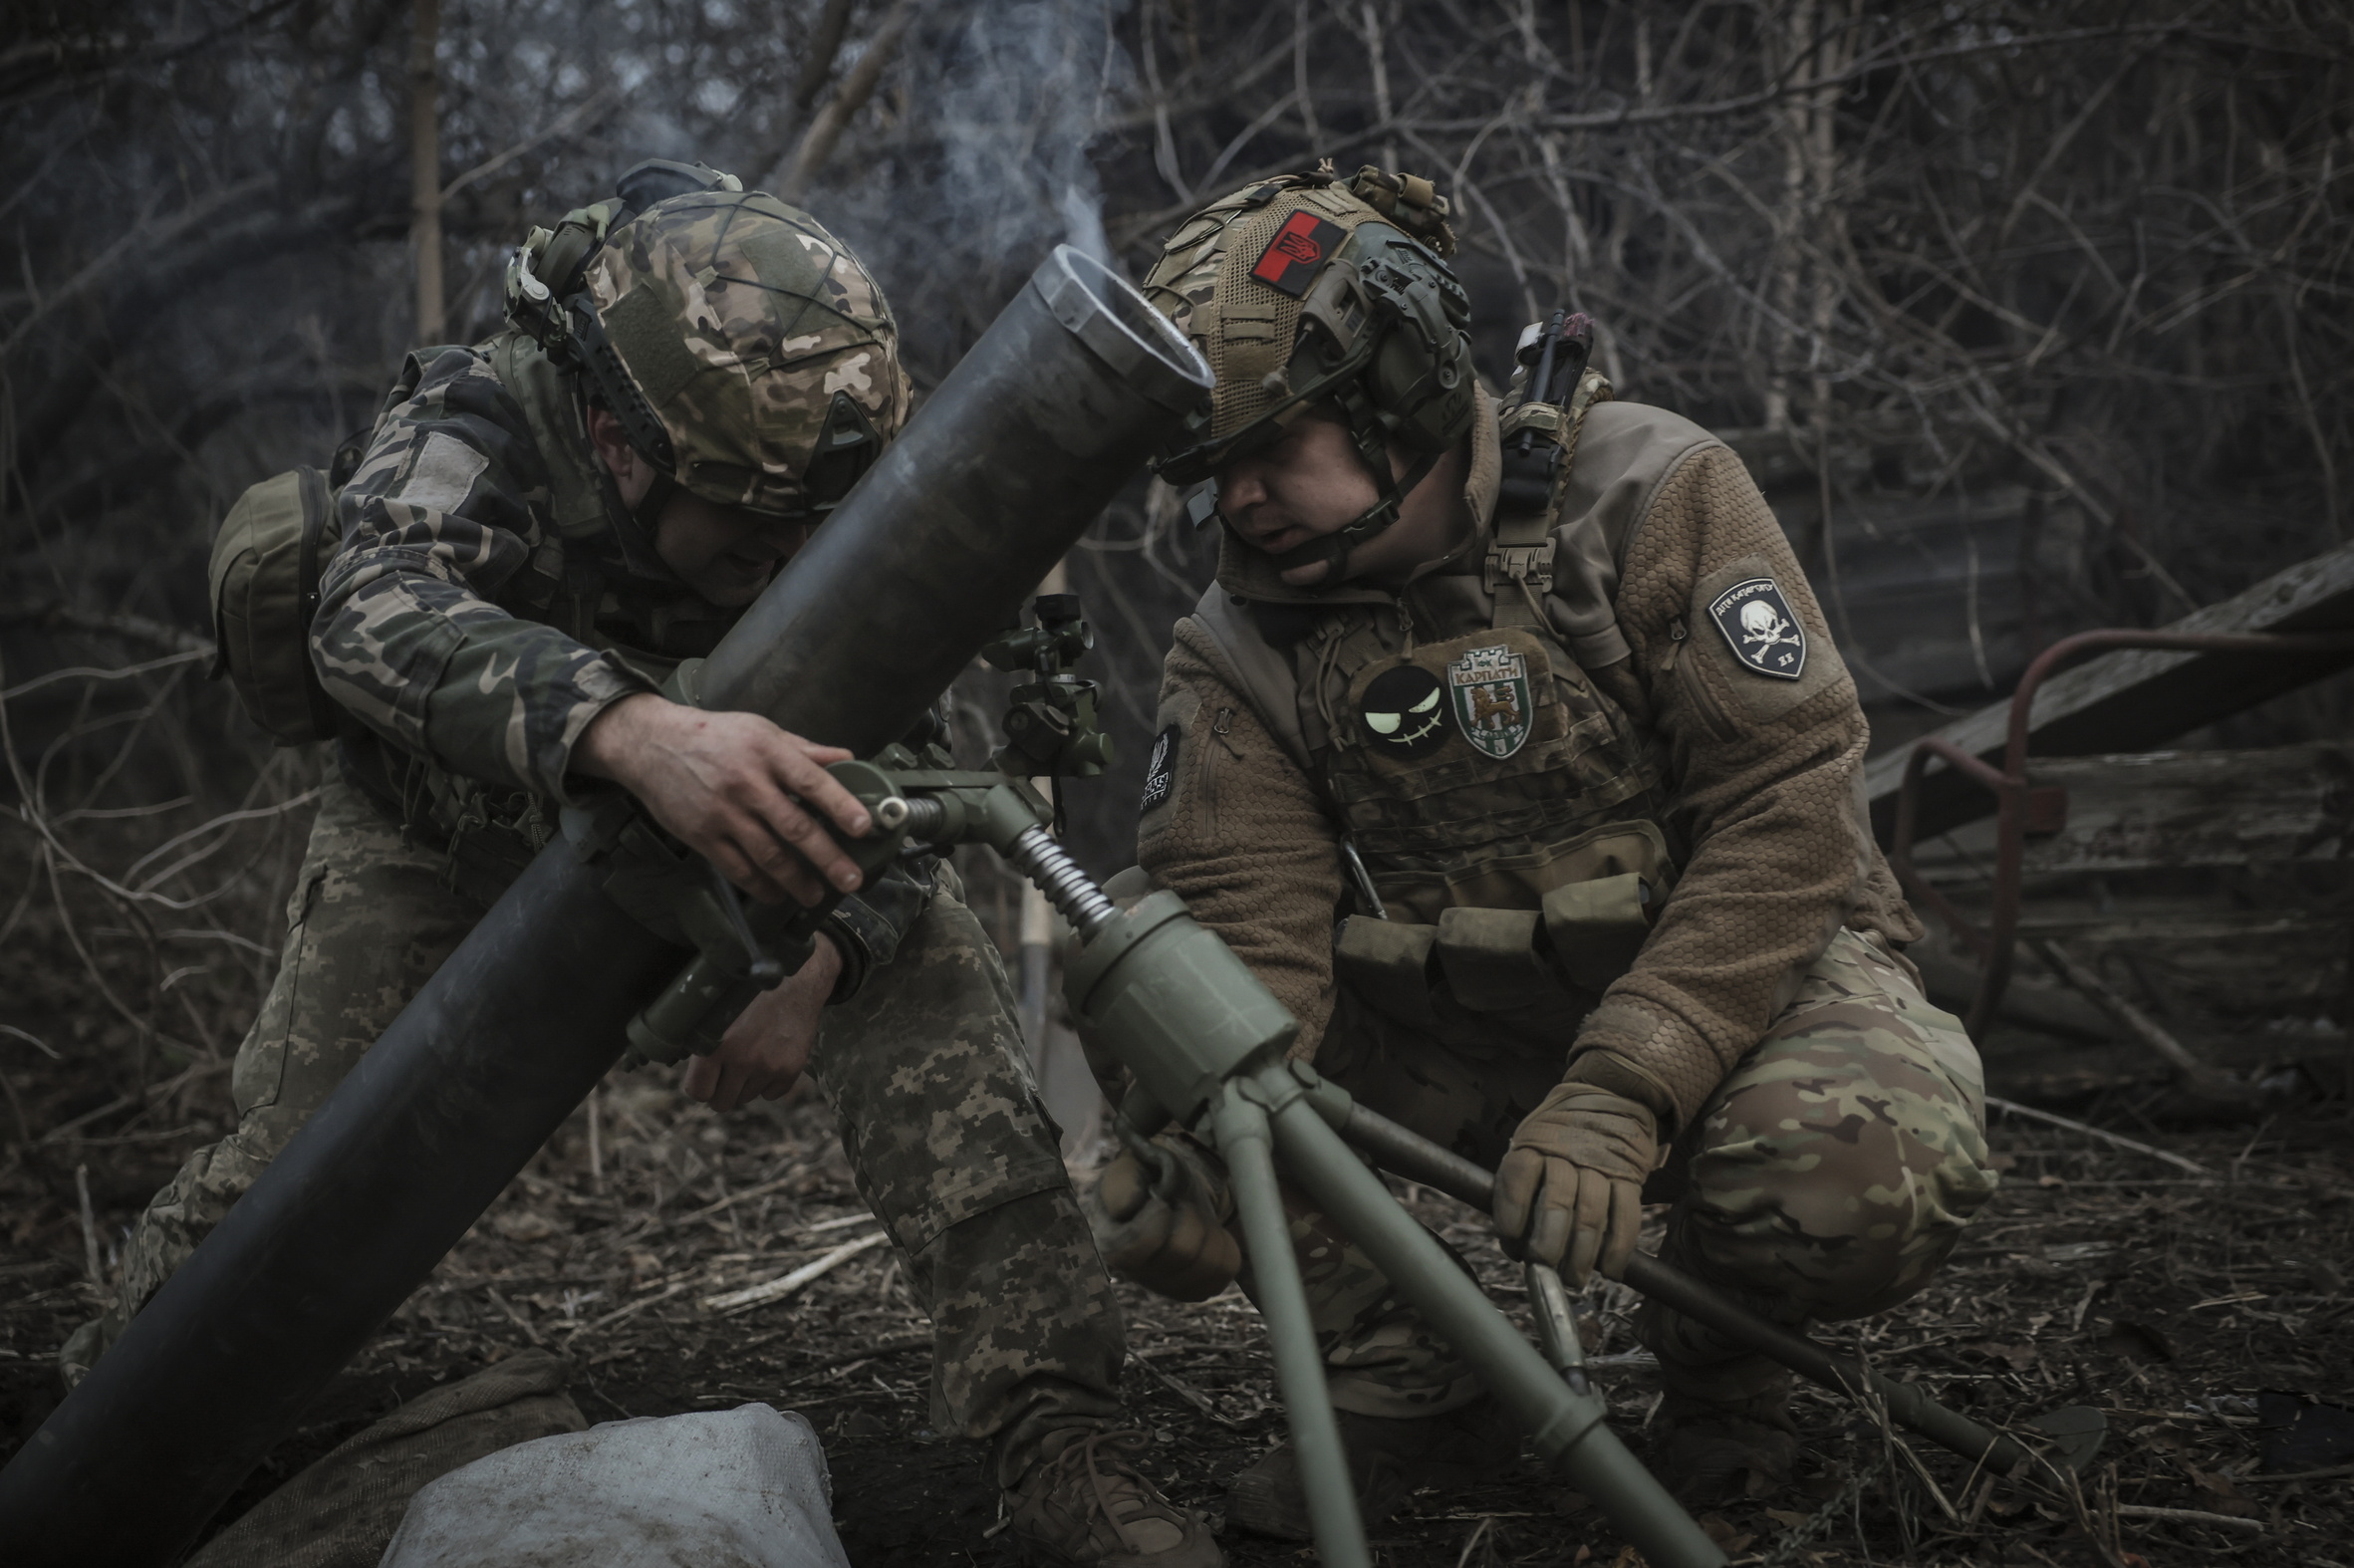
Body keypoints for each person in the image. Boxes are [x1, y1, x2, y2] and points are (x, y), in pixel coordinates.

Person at [63, 166, 1217, 1568]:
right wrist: (633, 729)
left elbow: (910, 754)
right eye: (747, 538)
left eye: (807, 535)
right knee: (301, 1172)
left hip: (747, 827)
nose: (785, 561)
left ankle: (1057, 1435)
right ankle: (95, 1429)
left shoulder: (814, 465)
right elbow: (368, 609)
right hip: (447, 838)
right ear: (615, 441)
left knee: (939, 1015)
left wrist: (832, 954)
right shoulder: (485, 411)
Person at [1089, 164, 1997, 1537]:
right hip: (1458, 1038)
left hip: (1732, 998)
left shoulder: (1644, 494)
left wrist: (1629, 1085)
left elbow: (1789, 802)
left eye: (1271, 449)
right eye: (1211, 472)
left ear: (1397, 391)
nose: (1243, 504)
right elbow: (1249, 953)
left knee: (1857, 1160)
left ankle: (1725, 1371)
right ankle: (1409, 1382)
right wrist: (1208, 1177)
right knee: (1157, 984)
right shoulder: (1235, 649)